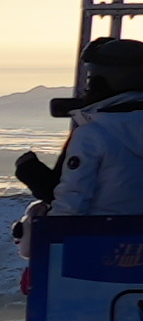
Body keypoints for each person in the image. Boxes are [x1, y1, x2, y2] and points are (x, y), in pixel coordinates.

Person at [18, 38, 143, 214]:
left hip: (102, 230)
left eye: (92, 78)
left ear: (107, 81)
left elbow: (71, 204)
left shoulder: (93, 134)